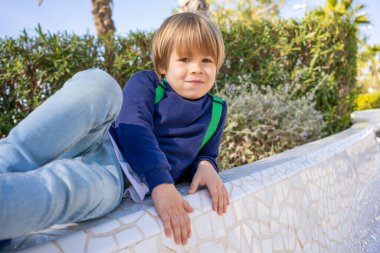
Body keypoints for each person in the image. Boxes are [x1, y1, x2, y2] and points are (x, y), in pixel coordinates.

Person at [0, 11, 228, 246]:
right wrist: (160, 182)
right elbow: (134, 128)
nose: (197, 69)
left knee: (66, 188)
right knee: (101, 85)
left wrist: (206, 165)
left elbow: (205, 153)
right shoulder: (147, 83)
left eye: (206, 60)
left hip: (117, 179)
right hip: (99, 139)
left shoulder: (217, 111)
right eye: (185, 59)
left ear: (217, 65)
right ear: (162, 65)